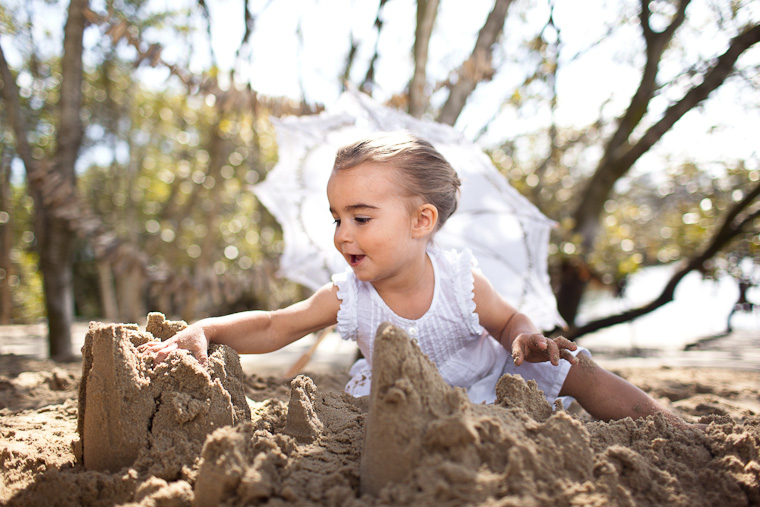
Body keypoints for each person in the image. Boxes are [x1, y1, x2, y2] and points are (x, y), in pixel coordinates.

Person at [140, 131, 690, 427]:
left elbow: (506, 322)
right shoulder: (349, 297)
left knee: (576, 366)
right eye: (336, 218)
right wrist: (207, 329)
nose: (342, 234)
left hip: (489, 381)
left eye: (360, 217)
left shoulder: (458, 279)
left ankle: (670, 427)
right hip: (407, 405)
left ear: (422, 221)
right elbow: (273, 326)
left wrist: (524, 338)